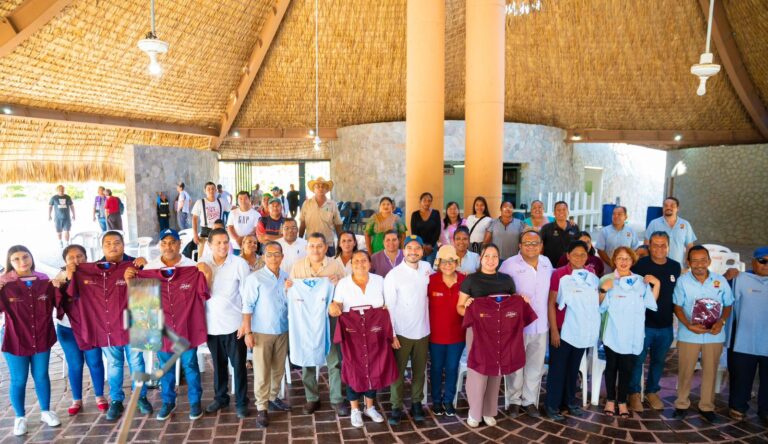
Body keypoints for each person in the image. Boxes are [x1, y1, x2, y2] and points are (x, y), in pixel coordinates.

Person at [126, 228, 212, 421]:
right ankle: (168, 402)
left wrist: (204, 273)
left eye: (172, 242)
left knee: (190, 365)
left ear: (179, 244)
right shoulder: (149, 270)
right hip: (162, 330)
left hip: (187, 327)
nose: (168, 246)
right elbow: (142, 302)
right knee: (164, 367)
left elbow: (204, 295)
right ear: (159, 246)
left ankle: (195, 402)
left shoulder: (193, 267)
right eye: (164, 243)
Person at [65, 231, 150, 421]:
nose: (113, 246)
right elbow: (73, 296)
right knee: (114, 364)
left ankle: (141, 397)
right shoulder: (92, 270)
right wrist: (70, 276)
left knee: (137, 362)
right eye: (108, 243)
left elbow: (149, 295)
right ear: (102, 247)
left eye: (117, 242)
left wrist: (143, 268)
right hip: (107, 327)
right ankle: (117, 400)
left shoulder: (137, 264)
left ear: (124, 245)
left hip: (136, 324)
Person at [456, 244, 534, 427]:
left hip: (502, 333)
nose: (491, 260)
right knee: (478, 371)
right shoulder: (471, 280)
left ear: (499, 259)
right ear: (481, 258)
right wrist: (467, 306)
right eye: (487, 256)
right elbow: (459, 308)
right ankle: (474, 412)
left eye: (494, 256)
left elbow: (511, 305)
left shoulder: (506, 280)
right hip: (477, 332)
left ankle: (489, 411)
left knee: (496, 371)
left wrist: (522, 300)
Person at [0, 246, 62, 436]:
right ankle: (20, 417)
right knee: (19, 379)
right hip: (15, 337)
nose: (22, 262)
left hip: (42, 335)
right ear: (9, 263)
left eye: (25, 257)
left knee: (42, 374)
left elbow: (62, 302)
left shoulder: (44, 280)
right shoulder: (4, 284)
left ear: (31, 257)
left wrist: (60, 285)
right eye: (16, 259)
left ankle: (46, 411)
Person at [329, 250, 392, 427]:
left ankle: (369, 407)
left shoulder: (380, 281)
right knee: (353, 368)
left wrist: (390, 332)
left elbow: (387, 305)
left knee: (374, 366)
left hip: (375, 331)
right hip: (352, 332)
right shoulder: (343, 283)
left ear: (370, 263)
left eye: (363, 260)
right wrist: (334, 307)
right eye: (356, 261)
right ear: (351, 264)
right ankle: (355, 409)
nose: (360, 264)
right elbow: (337, 304)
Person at [288, 233, 348, 416]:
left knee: (334, 359)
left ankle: (336, 399)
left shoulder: (335, 265)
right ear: (307, 248)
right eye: (312, 246)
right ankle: (311, 398)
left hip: (329, 318)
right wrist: (289, 287)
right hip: (305, 320)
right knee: (308, 357)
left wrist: (338, 284)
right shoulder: (298, 267)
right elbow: (291, 292)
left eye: (319, 246)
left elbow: (345, 291)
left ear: (325, 247)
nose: (315, 249)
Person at [672, 246, 733, 422]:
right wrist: (688, 325)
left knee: (710, 371)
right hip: (689, 334)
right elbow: (677, 306)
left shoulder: (720, 281)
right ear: (688, 262)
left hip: (714, 334)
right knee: (686, 370)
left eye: (703, 260)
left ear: (709, 261)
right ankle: (682, 404)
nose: (699, 264)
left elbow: (728, 304)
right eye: (695, 260)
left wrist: (720, 322)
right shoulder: (682, 282)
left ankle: (706, 406)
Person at [598, 247, 660, 418]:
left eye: (627, 259)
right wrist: (604, 290)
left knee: (627, 369)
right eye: (619, 258)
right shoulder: (608, 281)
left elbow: (651, 303)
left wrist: (657, 284)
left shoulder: (641, 282)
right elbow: (600, 307)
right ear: (614, 261)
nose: (623, 262)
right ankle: (611, 400)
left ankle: (622, 401)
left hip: (633, 335)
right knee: (611, 367)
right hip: (612, 333)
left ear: (632, 261)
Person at [545, 240, 603, 421]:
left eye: (583, 254)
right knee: (558, 369)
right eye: (576, 254)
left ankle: (569, 402)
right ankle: (551, 406)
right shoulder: (559, 275)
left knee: (573, 369)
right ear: (568, 255)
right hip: (562, 330)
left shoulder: (590, 275)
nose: (579, 257)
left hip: (581, 331)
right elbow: (551, 304)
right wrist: (554, 331)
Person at [500, 230, 553, 418]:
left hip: (541, 325)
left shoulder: (547, 263)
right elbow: (500, 293)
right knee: (515, 364)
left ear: (541, 245)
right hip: (517, 326)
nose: (531, 246)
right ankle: (514, 400)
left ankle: (529, 400)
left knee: (535, 365)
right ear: (519, 246)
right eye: (527, 243)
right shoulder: (509, 265)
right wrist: (513, 297)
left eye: (535, 243)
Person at [627, 231, 681, 412]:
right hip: (644, 325)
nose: (659, 249)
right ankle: (633, 393)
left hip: (666, 324)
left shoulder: (675, 267)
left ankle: (651, 391)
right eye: (655, 245)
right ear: (649, 246)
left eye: (663, 245)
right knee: (637, 360)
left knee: (658, 361)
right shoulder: (641, 265)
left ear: (668, 247)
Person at [51, 245, 107, 416]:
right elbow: (55, 303)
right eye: (71, 258)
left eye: (80, 256)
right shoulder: (59, 277)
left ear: (86, 257)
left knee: (95, 362)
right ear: (65, 261)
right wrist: (65, 281)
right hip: (67, 329)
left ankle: (100, 396)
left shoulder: (93, 273)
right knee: (75, 364)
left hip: (90, 327)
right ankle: (77, 399)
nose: (76, 260)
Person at [384, 235, 433, 425]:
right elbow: (389, 306)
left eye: (417, 248)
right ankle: (396, 406)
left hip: (423, 330)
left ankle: (416, 403)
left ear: (422, 250)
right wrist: (392, 334)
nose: (413, 252)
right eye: (409, 248)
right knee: (397, 372)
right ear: (403, 251)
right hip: (401, 332)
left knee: (420, 371)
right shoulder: (394, 275)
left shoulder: (427, 269)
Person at [241, 241, 291, 428]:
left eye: (276, 254)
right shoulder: (255, 279)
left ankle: (273, 397)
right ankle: (262, 408)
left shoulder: (286, 277)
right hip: (261, 332)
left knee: (278, 369)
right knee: (262, 372)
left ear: (282, 256)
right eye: (269, 254)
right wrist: (248, 332)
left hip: (282, 330)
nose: (273, 258)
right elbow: (247, 307)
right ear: (263, 257)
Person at [203, 228, 251, 419]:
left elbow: (247, 295)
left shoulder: (239, 263)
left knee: (238, 366)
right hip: (211, 326)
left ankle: (241, 402)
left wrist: (245, 324)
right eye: (218, 243)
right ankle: (221, 397)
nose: (223, 246)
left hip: (234, 325)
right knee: (218, 364)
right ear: (210, 245)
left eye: (226, 242)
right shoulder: (203, 265)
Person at [727, 246, 768, 423]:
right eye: (763, 261)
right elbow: (723, 295)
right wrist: (727, 277)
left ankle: (765, 410)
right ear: (753, 261)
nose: (766, 265)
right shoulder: (740, 279)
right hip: (744, 339)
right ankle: (738, 406)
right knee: (741, 375)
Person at [428, 245, 466, 417]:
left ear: (456, 262)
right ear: (438, 263)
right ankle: (436, 401)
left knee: (452, 368)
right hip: (435, 335)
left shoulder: (465, 280)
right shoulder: (430, 280)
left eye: (451, 261)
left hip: (457, 335)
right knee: (436, 368)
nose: (448, 265)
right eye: (444, 261)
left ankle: (448, 401)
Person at [645, 197, 697, 267]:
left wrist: (688, 263)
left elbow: (689, 246)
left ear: (677, 208)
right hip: (656, 266)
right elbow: (647, 244)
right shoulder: (654, 223)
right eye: (665, 205)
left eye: (672, 205)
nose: (668, 207)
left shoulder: (685, 225)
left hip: (678, 267)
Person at [299, 177, 343, 256]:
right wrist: (299, 240)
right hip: (311, 244)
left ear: (327, 190)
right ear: (313, 189)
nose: (320, 188)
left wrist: (341, 242)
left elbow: (338, 224)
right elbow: (302, 223)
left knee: (329, 266)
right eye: (317, 186)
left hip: (327, 243)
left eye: (323, 186)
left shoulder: (332, 204)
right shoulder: (307, 204)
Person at [595, 206, 639, 271]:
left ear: (625, 217)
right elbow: (600, 250)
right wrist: (612, 264)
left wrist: (627, 264)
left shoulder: (631, 231)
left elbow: (635, 250)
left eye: (619, 214)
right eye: (614, 214)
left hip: (626, 269)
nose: (616, 216)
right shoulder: (604, 231)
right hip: (609, 269)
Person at [540, 200, 580, 268]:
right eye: (558, 210)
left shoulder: (574, 227)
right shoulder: (546, 228)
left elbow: (578, 246)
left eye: (564, 209)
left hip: (570, 267)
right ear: (554, 213)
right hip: (551, 267)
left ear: (568, 212)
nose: (561, 212)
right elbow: (540, 247)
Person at [410, 192, 441, 264]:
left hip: (432, 247)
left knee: (430, 270)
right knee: (419, 268)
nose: (427, 203)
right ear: (420, 202)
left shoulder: (436, 213)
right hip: (419, 247)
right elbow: (414, 232)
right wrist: (422, 245)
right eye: (424, 200)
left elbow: (437, 231)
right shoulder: (415, 214)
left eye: (429, 201)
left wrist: (430, 246)